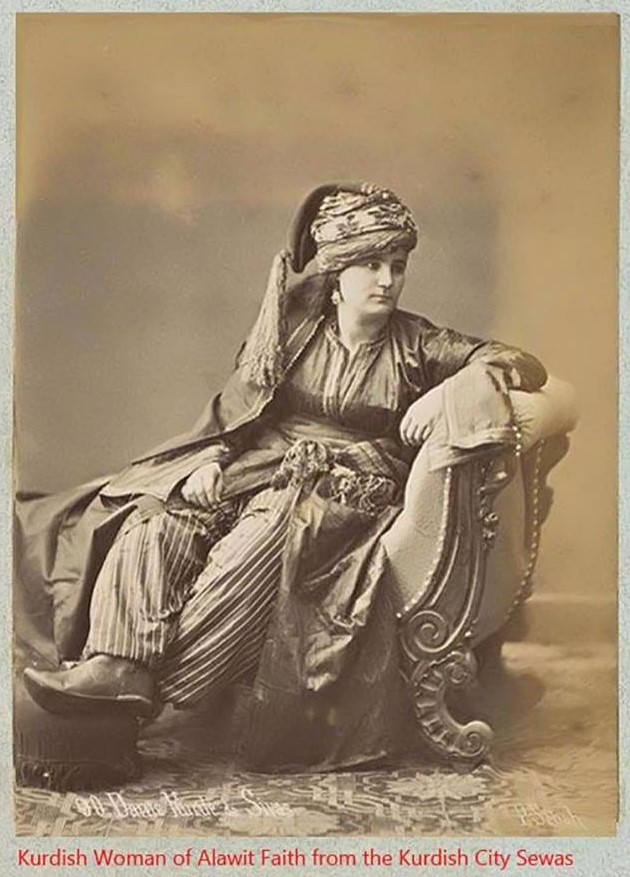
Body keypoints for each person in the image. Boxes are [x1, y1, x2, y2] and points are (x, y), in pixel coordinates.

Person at [18, 182, 547, 771]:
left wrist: (459, 386)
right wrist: (211, 460)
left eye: (397, 265)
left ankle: (158, 694)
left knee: (254, 547)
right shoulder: (294, 332)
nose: (387, 280)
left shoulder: (418, 344)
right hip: (263, 466)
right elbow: (239, 410)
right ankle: (117, 665)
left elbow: (518, 362)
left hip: (342, 490)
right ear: (337, 271)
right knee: (157, 518)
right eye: (371, 264)